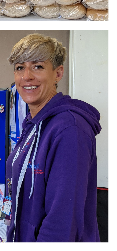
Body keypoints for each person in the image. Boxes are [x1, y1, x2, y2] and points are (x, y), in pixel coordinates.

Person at [5, 33, 99, 241]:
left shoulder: (69, 130)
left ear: (58, 73)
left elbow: (62, 222)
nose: (26, 76)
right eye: (20, 67)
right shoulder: (33, 123)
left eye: (37, 66)